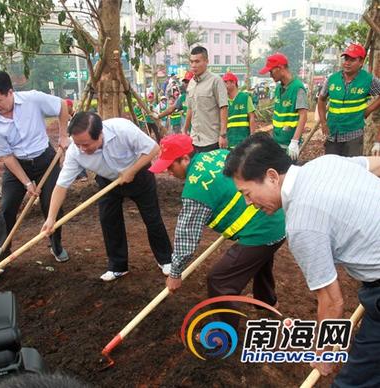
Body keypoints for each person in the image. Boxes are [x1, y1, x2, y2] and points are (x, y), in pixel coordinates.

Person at [224, 132, 380, 385]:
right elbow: (376, 164)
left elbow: (332, 301)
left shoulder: (302, 222)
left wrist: (324, 351)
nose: (248, 202)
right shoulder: (326, 163)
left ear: (272, 177)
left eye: (247, 193)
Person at [149, 134, 285, 330]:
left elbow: (187, 236)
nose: (168, 172)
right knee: (260, 259)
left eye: (170, 166)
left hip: (262, 229)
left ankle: (223, 332)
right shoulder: (218, 154)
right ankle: (267, 301)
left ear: (185, 158)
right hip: (276, 217)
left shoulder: (195, 190)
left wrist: (175, 273)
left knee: (220, 280)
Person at [41, 112, 172, 281]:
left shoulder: (122, 129)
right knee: (109, 220)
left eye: (86, 144)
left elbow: (153, 148)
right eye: (78, 144)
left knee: (152, 218)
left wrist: (131, 171)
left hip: (139, 175)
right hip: (107, 180)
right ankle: (118, 266)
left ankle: (166, 259)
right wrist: (51, 218)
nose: (82, 149)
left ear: (100, 134)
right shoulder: (75, 151)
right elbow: (61, 185)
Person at [0, 70, 70, 262]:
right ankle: (0, 255)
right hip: (17, 164)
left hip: (46, 159)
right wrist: (27, 183)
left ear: (10, 92)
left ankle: (56, 245)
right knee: (7, 207)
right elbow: (6, 156)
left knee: (52, 205)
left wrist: (63, 135)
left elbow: (62, 105)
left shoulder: (33, 99)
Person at [318, 43, 380, 157]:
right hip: (332, 134)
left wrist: (369, 110)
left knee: (351, 170)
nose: (347, 63)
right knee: (332, 169)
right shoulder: (332, 79)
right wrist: (323, 122)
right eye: (346, 59)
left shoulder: (368, 80)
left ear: (361, 62)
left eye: (352, 60)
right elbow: (321, 99)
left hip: (354, 136)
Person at [259, 52, 308, 160]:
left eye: (271, 71)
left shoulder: (297, 88)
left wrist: (294, 141)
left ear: (280, 68)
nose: (270, 75)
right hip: (277, 142)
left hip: (289, 144)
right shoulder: (278, 89)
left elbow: (303, 116)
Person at [183, 46, 228, 153]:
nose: (193, 65)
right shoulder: (191, 83)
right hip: (194, 139)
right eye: (192, 62)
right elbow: (190, 109)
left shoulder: (216, 81)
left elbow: (223, 107)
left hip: (212, 140)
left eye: (197, 61)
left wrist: (222, 134)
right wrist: (185, 129)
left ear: (206, 61)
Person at [222, 72, 256, 149]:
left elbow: (252, 118)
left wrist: (252, 136)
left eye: (225, 83)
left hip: (244, 140)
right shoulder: (223, 101)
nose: (223, 86)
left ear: (233, 82)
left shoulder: (245, 97)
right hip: (230, 140)